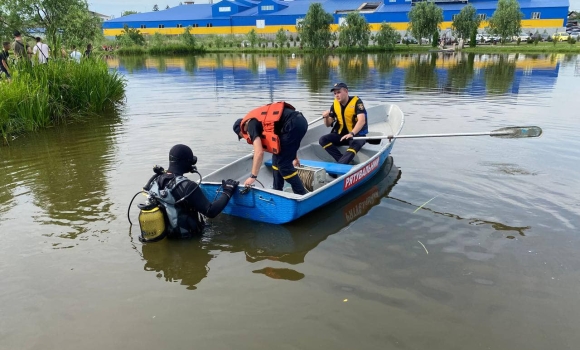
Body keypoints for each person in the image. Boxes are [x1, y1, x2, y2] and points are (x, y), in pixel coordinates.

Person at [138, 144, 239, 241]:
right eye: (191, 161)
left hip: (167, 235)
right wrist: (227, 191)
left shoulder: (155, 181)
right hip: (188, 238)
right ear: (186, 162)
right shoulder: (187, 186)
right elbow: (211, 212)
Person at [232, 102, 308, 195]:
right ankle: (277, 191)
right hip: (299, 121)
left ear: (241, 130)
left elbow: (259, 152)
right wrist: (294, 157)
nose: (245, 137)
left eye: (242, 136)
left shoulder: (250, 126)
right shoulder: (258, 121)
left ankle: (301, 195)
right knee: (276, 160)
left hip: (292, 124)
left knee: (284, 165)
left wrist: (253, 176)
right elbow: (288, 142)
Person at [318, 82, 368, 165]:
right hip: (342, 135)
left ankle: (340, 165)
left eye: (339, 92)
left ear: (346, 91)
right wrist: (326, 117)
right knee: (323, 140)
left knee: (355, 145)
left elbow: (362, 120)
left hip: (356, 135)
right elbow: (328, 124)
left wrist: (352, 133)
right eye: (335, 93)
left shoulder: (357, 102)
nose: (336, 95)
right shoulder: (335, 104)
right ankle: (342, 160)